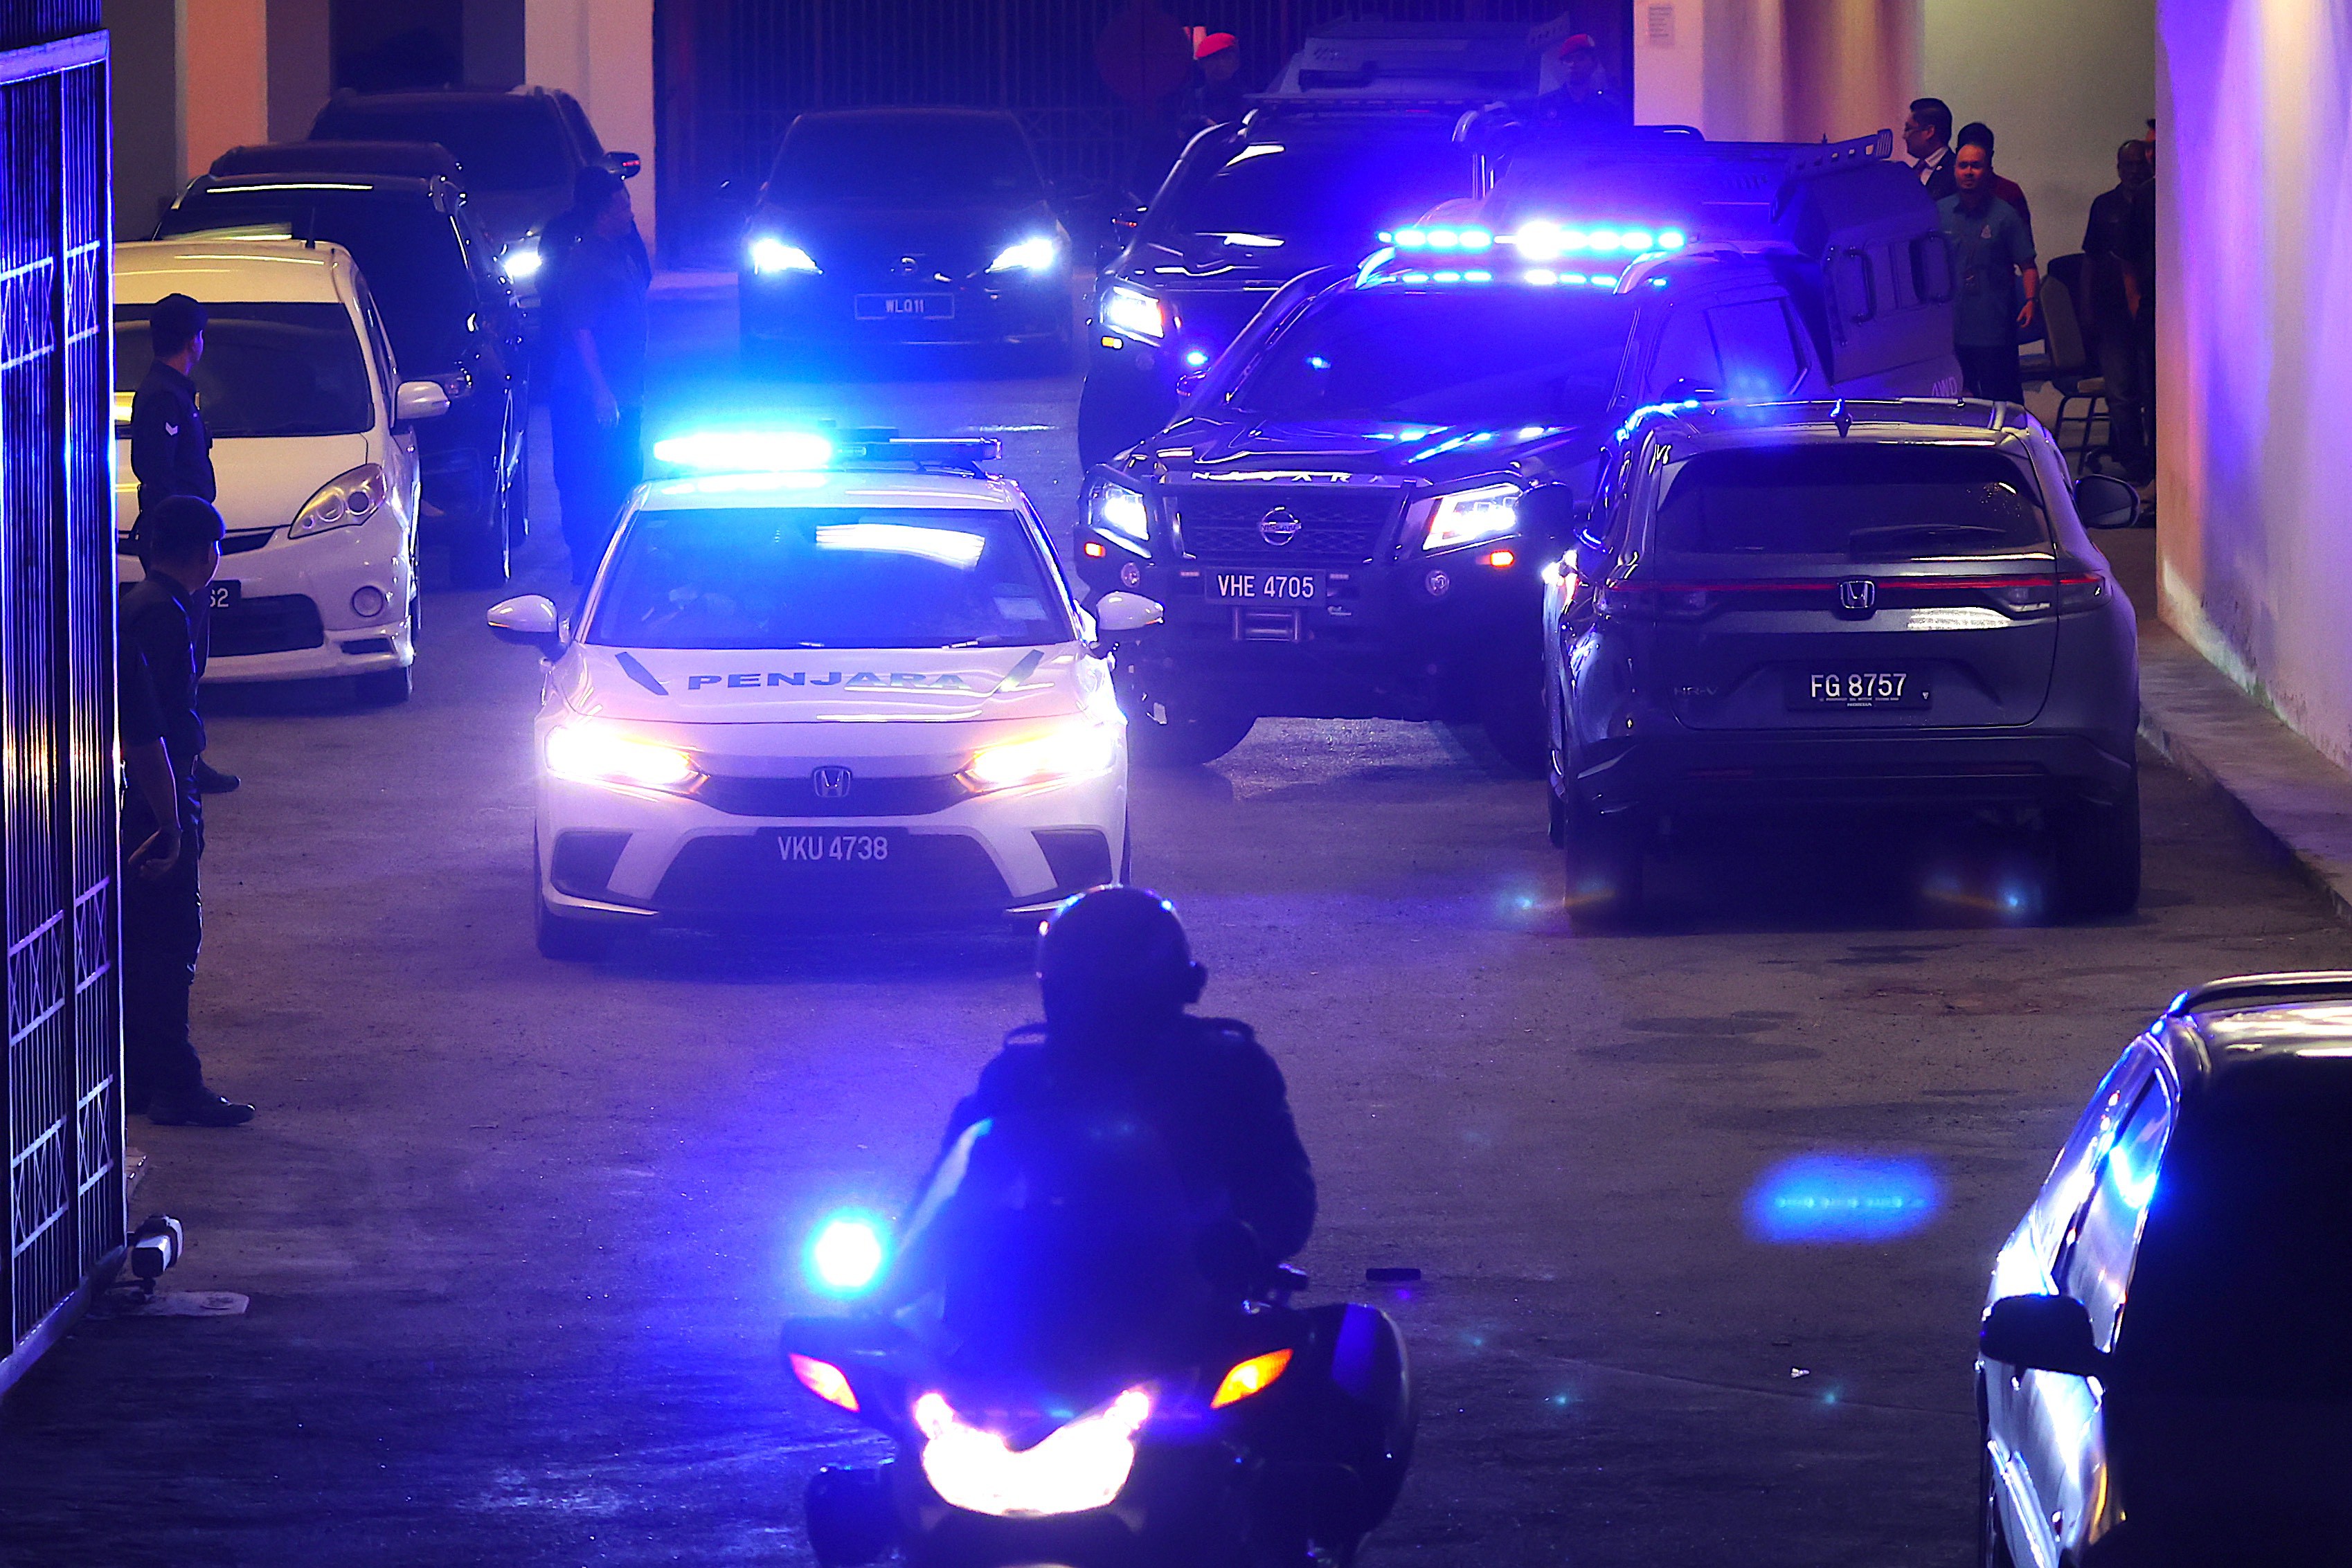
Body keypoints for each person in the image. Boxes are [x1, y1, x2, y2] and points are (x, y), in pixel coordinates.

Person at [922, 886, 1314, 1297]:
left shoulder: (1229, 1068)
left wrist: (1242, 1241)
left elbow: (1286, 1204)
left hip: (1193, 1307)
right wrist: (894, 1286)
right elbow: (951, 1195)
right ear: (1187, 983)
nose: (1108, 1010)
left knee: (1347, 1345)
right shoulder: (1018, 1076)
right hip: (1040, 1306)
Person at [120, 497, 253, 1128]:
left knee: (145, 942)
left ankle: (141, 1077)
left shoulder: (143, 606)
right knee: (170, 942)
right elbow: (157, 728)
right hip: (159, 797)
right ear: (207, 552)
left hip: (152, 791)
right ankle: (174, 1080)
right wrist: (171, 819)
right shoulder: (165, 617)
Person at [128, 293, 238, 795]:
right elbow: (159, 475)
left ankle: (188, 757)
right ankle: (181, 762)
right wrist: (184, 539)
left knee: (191, 653)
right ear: (193, 340)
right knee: (181, 657)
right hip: (178, 549)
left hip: (186, 545)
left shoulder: (174, 392)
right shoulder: (162, 397)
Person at [546, 167, 650, 585]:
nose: (630, 209)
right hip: (592, 393)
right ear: (603, 212)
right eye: (622, 203)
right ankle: (590, 566)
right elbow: (581, 328)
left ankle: (616, 562)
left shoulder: (621, 249)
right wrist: (600, 389)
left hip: (626, 388)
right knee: (592, 477)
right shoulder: (585, 260)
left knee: (625, 471)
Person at [1939, 135, 2038, 403]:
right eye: (1963, 166)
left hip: (1994, 328)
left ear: (1988, 170)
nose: (1968, 172)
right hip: (1953, 330)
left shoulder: (2004, 215)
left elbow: (2028, 266)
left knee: (2003, 400)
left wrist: (2030, 301)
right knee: (1961, 402)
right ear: (1955, 170)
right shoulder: (1940, 212)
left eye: (1975, 165)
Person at [2083, 138, 2156, 483]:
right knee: (2121, 393)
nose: (2134, 171)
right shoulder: (2104, 206)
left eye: (2140, 164)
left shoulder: (2158, 201)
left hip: (2150, 309)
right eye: (2128, 165)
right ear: (2118, 167)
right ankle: (2133, 463)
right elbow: (2091, 260)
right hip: (2112, 310)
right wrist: (2087, 310)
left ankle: (2156, 460)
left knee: (2153, 390)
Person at [1528, 33, 1629, 129]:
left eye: (1580, 59)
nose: (1573, 64)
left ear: (1594, 64)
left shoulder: (1608, 107)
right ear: (1562, 65)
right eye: (1568, 60)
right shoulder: (1544, 104)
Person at [1954, 121, 2032, 234]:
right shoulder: (1947, 190)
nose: (1969, 172)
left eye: (1976, 163)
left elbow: (2023, 244)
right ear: (1958, 154)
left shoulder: (2009, 192)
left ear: (1990, 156)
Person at [1904, 98, 1958, 200]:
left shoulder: (1955, 171)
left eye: (1908, 129)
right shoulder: (1913, 172)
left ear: (1929, 132)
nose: (1904, 136)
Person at [1188, 30, 1244, 128]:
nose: (1220, 64)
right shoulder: (1190, 99)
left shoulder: (1248, 100)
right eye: (1214, 59)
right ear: (1202, 64)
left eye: (1227, 58)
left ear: (1236, 63)